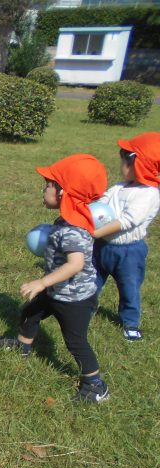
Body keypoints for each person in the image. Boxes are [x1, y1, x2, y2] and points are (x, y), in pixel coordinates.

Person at [0, 154, 110, 403]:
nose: (44, 189)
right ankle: (22, 346)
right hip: (58, 290)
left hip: (74, 299)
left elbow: (75, 264)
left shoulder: (72, 230)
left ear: (63, 192)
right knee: (30, 312)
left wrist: (42, 282)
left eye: (48, 184)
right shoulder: (69, 219)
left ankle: (95, 384)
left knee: (76, 342)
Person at [92, 132, 160, 342]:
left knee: (129, 287)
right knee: (91, 282)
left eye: (123, 161)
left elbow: (127, 221)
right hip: (102, 247)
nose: (120, 165)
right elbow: (99, 206)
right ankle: (84, 309)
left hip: (129, 253)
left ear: (137, 165)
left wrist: (93, 232)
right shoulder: (118, 188)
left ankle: (130, 323)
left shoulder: (149, 194)